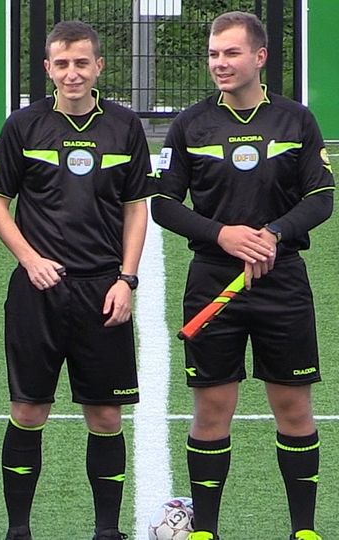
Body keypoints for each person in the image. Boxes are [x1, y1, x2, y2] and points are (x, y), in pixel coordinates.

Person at [150, 11, 333, 540]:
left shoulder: (296, 120)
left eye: (231, 53)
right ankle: (204, 530)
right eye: (213, 54)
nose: (220, 64)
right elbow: (163, 202)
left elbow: (321, 195)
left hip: (282, 280)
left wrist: (272, 232)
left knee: (293, 406)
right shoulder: (190, 124)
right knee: (212, 408)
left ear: (260, 57)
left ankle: (304, 529)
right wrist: (224, 235)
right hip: (213, 281)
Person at [0, 21, 153, 540]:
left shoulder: (125, 127)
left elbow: (136, 208)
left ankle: (106, 532)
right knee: (28, 409)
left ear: (99, 66)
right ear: (48, 69)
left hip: (103, 288)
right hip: (38, 291)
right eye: (62, 63)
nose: (72, 73)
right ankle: (19, 530)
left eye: (82, 62)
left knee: (105, 415)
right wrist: (30, 260)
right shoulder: (24, 126)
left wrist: (127, 279)